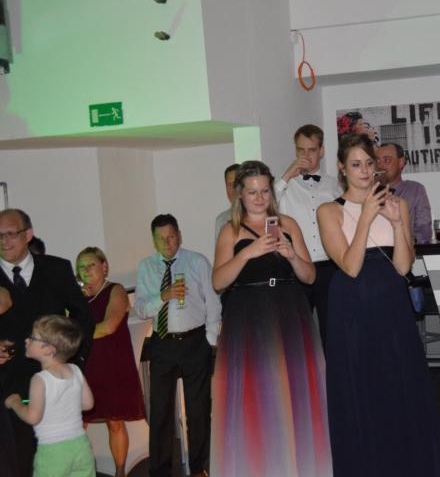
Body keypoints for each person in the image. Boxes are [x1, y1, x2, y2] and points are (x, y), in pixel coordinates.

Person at [317, 134, 440, 476]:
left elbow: (403, 266)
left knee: (399, 385)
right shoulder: (329, 211)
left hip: (391, 303)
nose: (364, 171)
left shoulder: (398, 203)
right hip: (351, 309)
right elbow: (350, 266)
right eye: (355, 164)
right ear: (342, 168)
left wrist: (396, 222)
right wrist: (364, 217)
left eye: (368, 163)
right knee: (361, 388)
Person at [211, 160, 332, 476]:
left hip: (289, 313)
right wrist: (247, 253)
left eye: (265, 190)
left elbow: (310, 276)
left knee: (294, 390)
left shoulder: (288, 224)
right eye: (252, 192)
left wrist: (291, 255)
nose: (259, 197)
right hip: (249, 318)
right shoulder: (230, 231)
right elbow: (218, 281)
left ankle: (297, 465)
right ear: (240, 194)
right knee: (258, 394)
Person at [0, 208, 94, 477]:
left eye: (10, 234)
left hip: (54, 383)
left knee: (58, 460)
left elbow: (82, 319)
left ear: (28, 234)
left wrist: (72, 363)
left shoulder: (57, 268)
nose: (4, 241)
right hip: (6, 386)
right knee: (15, 464)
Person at [135, 214, 221, 477]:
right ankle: (160, 470)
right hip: (162, 343)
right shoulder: (146, 267)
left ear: (179, 235)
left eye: (171, 236)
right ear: (154, 240)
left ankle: (198, 468)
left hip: (195, 341)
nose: (167, 243)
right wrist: (163, 296)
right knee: (160, 410)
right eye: (161, 238)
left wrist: (210, 340)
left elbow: (213, 303)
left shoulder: (197, 262)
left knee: (198, 410)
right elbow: (140, 309)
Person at [76, 247, 146, 477]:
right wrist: (76, 302)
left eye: (91, 265)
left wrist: (76, 335)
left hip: (112, 364)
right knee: (76, 424)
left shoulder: (116, 290)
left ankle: (120, 473)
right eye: (81, 267)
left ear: (104, 266)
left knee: (114, 422)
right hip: (84, 365)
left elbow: (108, 326)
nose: (86, 270)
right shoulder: (77, 297)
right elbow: (62, 326)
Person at [274, 124, 342, 349]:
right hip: (296, 267)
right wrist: (287, 175)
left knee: (332, 332)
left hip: (330, 268)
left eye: (311, 150)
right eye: (300, 150)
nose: (305, 155)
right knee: (296, 335)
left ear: (321, 151)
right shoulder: (283, 186)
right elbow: (264, 207)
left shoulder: (335, 186)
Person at [4, 315, 95, 477]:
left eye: (32, 337)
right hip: (81, 445)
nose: (26, 340)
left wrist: (15, 403)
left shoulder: (40, 379)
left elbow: (33, 417)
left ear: (48, 349)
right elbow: (88, 404)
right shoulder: (75, 370)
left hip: (53, 451)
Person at [376, 142, 432, 243]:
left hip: (406, 249)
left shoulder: (415, 190)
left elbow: (423, 233)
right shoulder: (366, 192)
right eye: (377, 161)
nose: (380, 165)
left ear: (401, 162)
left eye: (387, 160)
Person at [214, 163, 242, 240]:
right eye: (229, 185)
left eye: (236, 184)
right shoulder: (221, 219)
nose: (233, 190)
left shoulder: (258, 217)